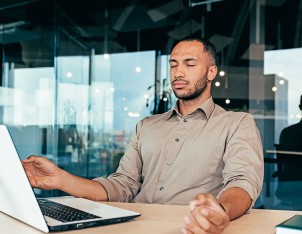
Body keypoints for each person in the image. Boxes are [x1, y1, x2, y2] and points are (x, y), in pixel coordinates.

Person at [22, 37, 263, 234]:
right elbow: (122, 185)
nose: (178, 72)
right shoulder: (146, 126)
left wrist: (219, 211)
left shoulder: (237, 123)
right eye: (173, 64)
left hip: (191, 229)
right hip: (134, 227)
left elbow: (243, 183)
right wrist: (60, 180)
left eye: (190, 64)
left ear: (211, 72)